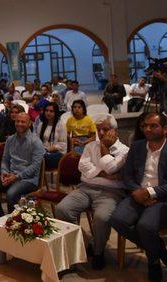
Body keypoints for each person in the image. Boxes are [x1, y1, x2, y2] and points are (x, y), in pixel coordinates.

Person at [110, 112, 167, 281]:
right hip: (137, 194)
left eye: (153, 125)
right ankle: (158, 250)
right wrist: (138, 192)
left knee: (145, 226)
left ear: (165, 129)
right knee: (117, 219)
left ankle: (153, 262)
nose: (147, 129)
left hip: (163, 199)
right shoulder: (137, 146)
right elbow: (127, 175)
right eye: (145, 126)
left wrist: (150, 193)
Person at [54, 114, 129, 270]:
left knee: (102, 217)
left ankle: (98, 252)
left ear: (114, 131)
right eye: (98, 129)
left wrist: (104, 150)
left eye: (105, 129)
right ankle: (84, 242)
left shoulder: (124, 151)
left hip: (111, 192)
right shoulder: (90, 146)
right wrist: (105, 174)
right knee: (62, 209)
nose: (101, 133)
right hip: (85, 187)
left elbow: (112, 168)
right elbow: (83, 168)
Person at [0, 112, 45, 217]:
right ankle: (1, 218)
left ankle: (15, 223)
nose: (19, 124)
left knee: (11, 194)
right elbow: (5, 159)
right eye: (17, 121)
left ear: (30, 123)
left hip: (28, 180)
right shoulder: (10, 139)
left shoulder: (36, 142)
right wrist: (4, 173)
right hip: (10, 175)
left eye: (23, 122)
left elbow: (35, 167)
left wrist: (16, 177)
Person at [35, 103, 67, 170]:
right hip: (43, 153)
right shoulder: (41, 125)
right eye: (46, 110)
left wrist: (46, 150)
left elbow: (62, 145)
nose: (48, 113)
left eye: (51, 111)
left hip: (58, 154)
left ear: (56, 113)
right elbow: (37, 142)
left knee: (38, 158)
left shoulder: (61, 125)